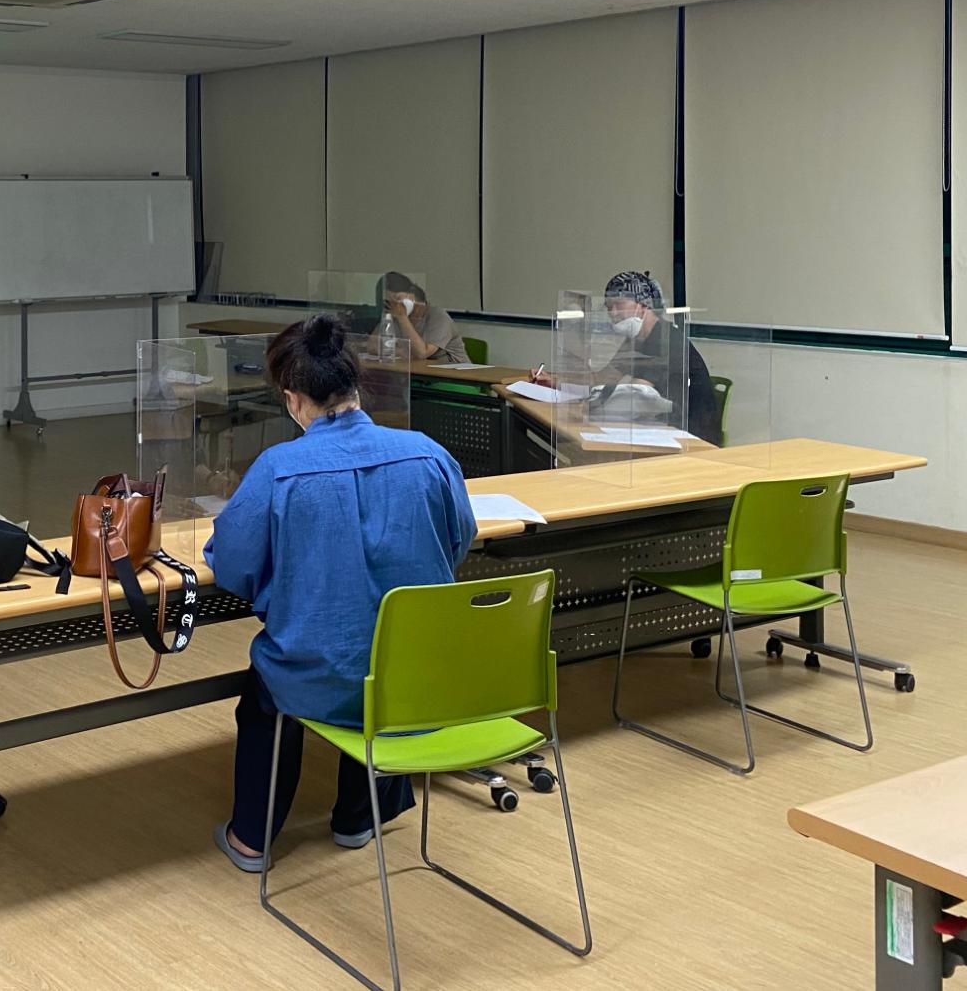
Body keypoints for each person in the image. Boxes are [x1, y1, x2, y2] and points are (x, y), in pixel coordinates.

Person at [204, 314, 477, 872]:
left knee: (273, 684)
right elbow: (457, 541)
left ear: (292, 399)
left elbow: (232, 565)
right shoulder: (427, 454)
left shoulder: (278, 468)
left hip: (316, 674)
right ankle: (358, 818)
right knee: (383, 647)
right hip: (415, 678)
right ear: (357, 385)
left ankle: (252, 838)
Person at [530, 270, 721, 446]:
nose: (613, 313)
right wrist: (557, 383)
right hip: (660, 426)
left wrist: (590, 404)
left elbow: (635, 392)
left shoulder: (664, 339)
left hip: (690, 436)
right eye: (608, 307)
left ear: (643, 304)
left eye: (619, 305)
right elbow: (603, 377)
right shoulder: (637, 338)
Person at [362, 271, 469, 366]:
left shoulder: (438, 316)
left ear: (412, 296)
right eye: (388, 302)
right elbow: (372, 346)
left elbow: (421, 353)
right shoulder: (393, 315)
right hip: (417, 373)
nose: (394, 306)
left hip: (453, 376)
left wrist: (402, 317)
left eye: (397, 299)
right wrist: (402, 352)